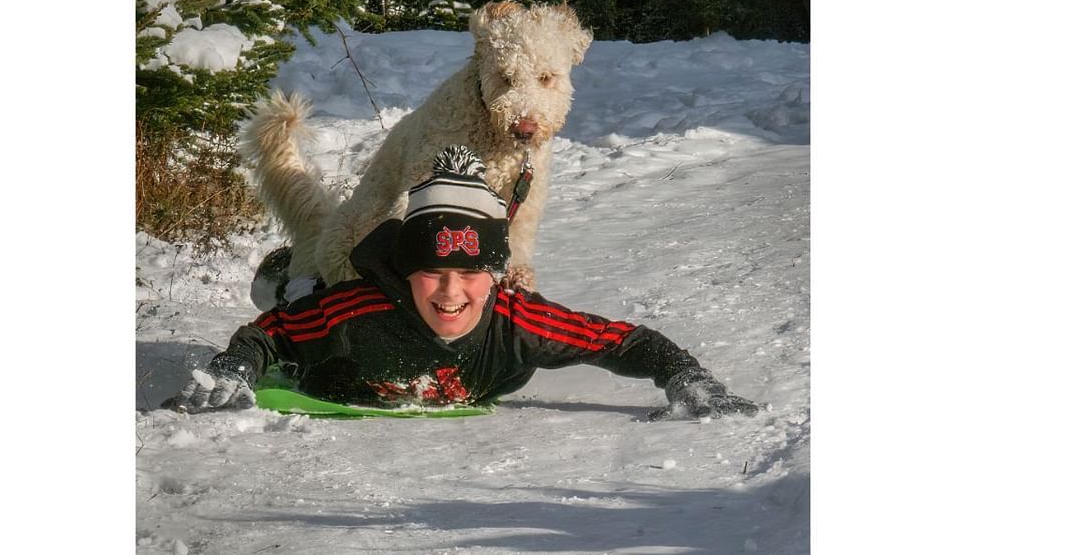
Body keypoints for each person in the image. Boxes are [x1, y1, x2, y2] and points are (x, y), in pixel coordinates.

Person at [172, 146, 760, 420]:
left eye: (470, 275)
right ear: (406, 274)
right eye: (432, 273)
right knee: (298, 298)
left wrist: (685, 375)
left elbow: (620, 340)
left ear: (495, 276)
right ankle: (284, 276)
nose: (451, 293)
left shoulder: (516, 320)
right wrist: (235, 369)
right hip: (331, 352)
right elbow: (266, 335)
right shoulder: (357, 309)